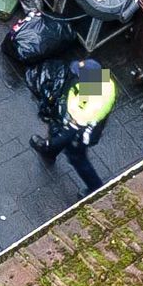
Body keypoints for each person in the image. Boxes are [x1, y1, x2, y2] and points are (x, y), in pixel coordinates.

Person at [30, 59, 116, 195]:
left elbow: (69, 132)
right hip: (81, 122)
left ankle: (96, 189)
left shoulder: (89, 109)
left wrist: (50, 143)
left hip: (82, 133)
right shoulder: (103, 82)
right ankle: (50, 151)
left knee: (77, 157)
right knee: (59, 132)